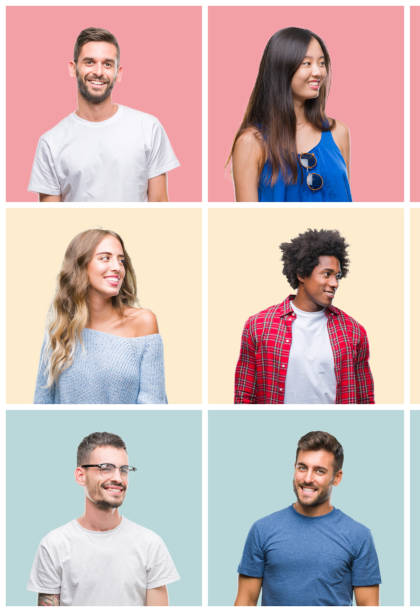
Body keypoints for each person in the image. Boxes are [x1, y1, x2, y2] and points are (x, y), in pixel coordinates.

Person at [28, 27, 179, 202]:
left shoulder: (149, 128)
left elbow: (160, 207)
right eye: (89, 62)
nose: (99, 72)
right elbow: (50, 220)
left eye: (107, 64)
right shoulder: (51, 142)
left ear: (118, 73)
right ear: (73, 68)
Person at [27, 432, 179, 605]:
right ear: (80, 475)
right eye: (106, 468)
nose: (118, 478)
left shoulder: (151, 545)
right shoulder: (54, 545)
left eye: (123, 470)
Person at [235, 431, 381, 606]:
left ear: (337, 477)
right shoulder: (262, 530)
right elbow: (245, 602)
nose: (307, 478)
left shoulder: (359, 535)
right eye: (302, 467)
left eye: (319, 471)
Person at [234, 229, 374, 404]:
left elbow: (365, 399)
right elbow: (244, 396)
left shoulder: (353, 330)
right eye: (326, 274)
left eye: (337, 276)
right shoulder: (259, 325)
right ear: (301, 274)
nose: (335, 283)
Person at [34, 229, 167, 404]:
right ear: (80, 265)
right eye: (105, 258)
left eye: (121, 260)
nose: (117, 268)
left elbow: (153, 405)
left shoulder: (143, 323)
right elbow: (42, 403)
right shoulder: (59, 328)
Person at [231, 27, 351, 202]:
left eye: (322, 63)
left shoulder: (339, 132)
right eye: (307, 63)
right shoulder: (251, 142)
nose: (318, 72)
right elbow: (247, 225)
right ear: (281, 68)